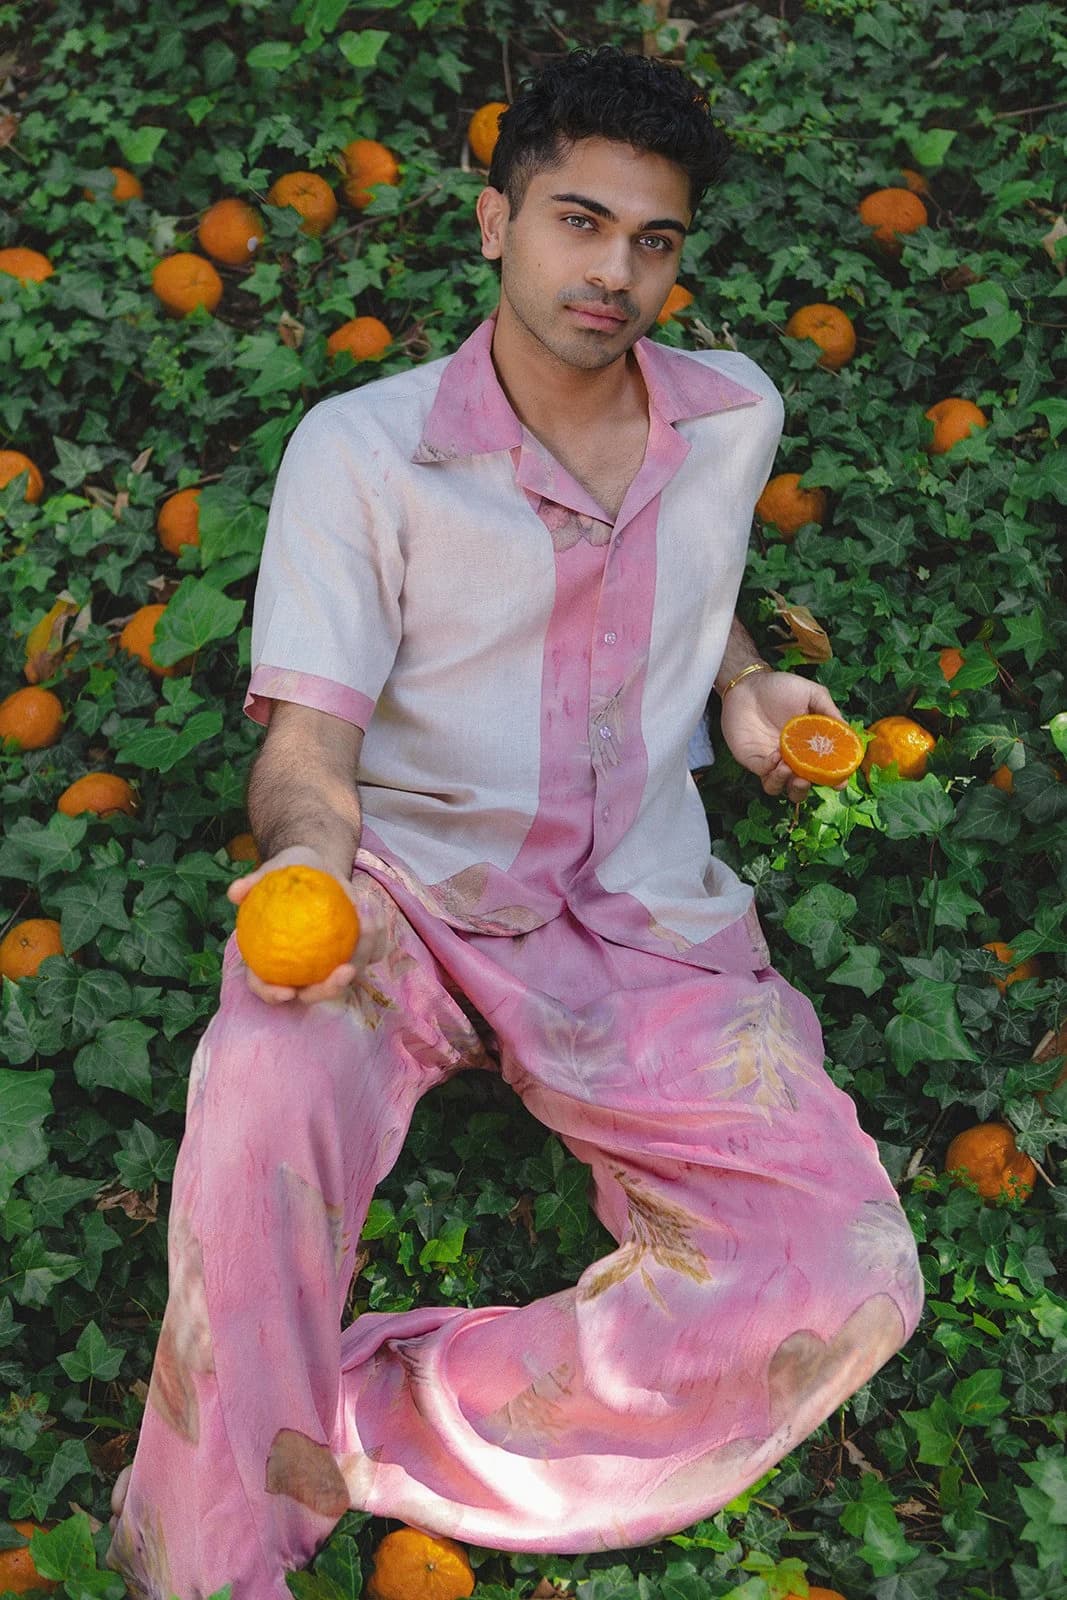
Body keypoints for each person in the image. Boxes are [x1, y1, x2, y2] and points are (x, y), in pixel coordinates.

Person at [108, 44, 924, 1600]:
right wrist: (306, 865)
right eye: (579, 221)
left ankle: (343, 1420)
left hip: (642, 913)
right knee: (260, 1100)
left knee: (849, 1276)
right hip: (407, 891)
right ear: (496, 221)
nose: (615, 273)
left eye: (654, 240)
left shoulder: (732, 418)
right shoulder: (365, 453)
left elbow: (691, 577)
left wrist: (743, 686)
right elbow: (311, 742)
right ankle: (210, 1552)